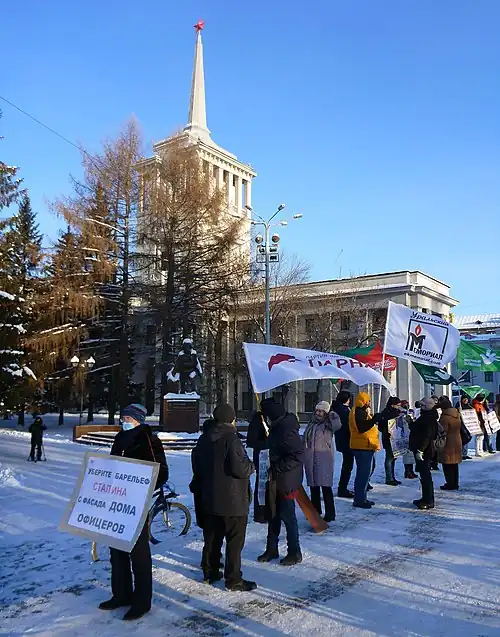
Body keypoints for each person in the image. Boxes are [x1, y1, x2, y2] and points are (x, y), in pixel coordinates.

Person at [99, 404, 169, 621]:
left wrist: (139, 485)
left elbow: (162, 473)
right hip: (115, 502)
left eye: (128, 418)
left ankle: (141, 602)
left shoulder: (149, 439)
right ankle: (121, 595)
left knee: (138, 554)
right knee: (116, 551)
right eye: (123, 417)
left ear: (138, 419)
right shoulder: (120, 438)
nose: (124, 421)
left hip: (136, 504)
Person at [191, 403, 256, 592]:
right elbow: (240, 468)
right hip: (232, 499)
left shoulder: (204, 438)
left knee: (213, 537)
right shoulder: (231, 438)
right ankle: (233, 579)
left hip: (209, 497)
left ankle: (210, 572)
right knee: (234, 541)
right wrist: (251, 465)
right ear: (231, 419)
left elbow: (197, 464)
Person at [258, 398, 304, 566]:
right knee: (273, 514)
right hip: (276, 480)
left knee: (288, 517)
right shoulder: (277, 427)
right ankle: (271, 549)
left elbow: (298, 455)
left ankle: (294, 552)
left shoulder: (287, 430)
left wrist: (277, 467)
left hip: (287, 481)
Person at [303, 401, 341, 522]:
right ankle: (315, 511)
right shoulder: (312, 423)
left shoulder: (328, 424)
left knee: (325, 487)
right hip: (310, 458)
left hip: (324, 459)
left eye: (322, 411)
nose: (319, 413)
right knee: (313, 486)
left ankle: (330, 513)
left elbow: (337, 425)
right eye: (317, 410)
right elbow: (305, 437)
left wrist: (333, 415)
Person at [349, 392, 380, 509]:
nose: (369, 403)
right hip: (362, 446)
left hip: (364, 445)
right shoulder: (358, 412)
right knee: (363, 473)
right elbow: (362, 428)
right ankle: (359, 499)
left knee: (364, 473)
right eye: (368, 400)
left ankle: (362, 498)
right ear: (364, 401)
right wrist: (373, 420)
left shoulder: (360, 411)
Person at [410, 397, 439, 509]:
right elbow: (417, 429)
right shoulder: (425, 416)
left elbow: (427, 436)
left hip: (425, 451)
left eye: (422, 405)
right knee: (423, 475)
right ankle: (425, 498)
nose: (420, 407)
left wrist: (420, 450)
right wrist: (411, 423)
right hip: (422, 449)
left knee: (425, 475)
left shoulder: (429, 418)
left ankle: (428, 500)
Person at [246, 410, 270, 523]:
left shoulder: (263, 420)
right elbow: (252, 439)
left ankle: (264, 512)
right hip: (262, 456)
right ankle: (261, 513)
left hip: (263, 455)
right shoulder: (258, 420)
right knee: (262, 485)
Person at [374, 396, 402, 486]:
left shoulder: (396, 412)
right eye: (397, 405)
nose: (399, 407)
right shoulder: (387, 413)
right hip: (388, 438)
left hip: (395, 437)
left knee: (393, 457)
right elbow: (381, 426)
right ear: (392, 405)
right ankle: (389, 478)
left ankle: (392, 477)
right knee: (389, 458)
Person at [332, 391, 355, 498]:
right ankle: (342, 488)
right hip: (347, 440)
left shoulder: (336, 408)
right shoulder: (344, 410)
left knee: (347, 464)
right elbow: (349, 425)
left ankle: (343, 487)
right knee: (347, 466)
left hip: (341, 440)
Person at [437, 396, 462, 490]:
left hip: (448, 443)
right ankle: (455, 482)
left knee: (447, 464)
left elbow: (442, 431)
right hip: (457, 440)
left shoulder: (445, 418)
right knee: (454, 464)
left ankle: (450, 483)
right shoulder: (457, 414)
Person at [400, 401, 417, 479]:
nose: (407, 406)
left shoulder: (410, 413)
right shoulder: (400, 414)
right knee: (407, 455)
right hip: (405, 436)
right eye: (405, 405)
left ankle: (411, 470)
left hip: (411, 435)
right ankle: (407, 471)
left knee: (411, 455)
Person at [458, 395, 473, 460]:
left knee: (467, 438)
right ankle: (461, 454)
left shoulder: (469, 406)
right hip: (462, 425)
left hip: (468, 425)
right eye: (464, 399)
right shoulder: (459, 406)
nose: (465, 400)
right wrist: (459, 411)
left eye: (466, 399)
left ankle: (465, 453)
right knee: (463, 439)